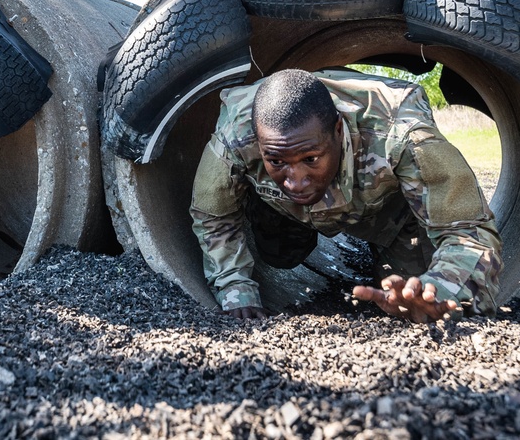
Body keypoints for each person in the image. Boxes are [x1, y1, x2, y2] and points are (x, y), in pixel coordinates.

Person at [189, 67, 502, 323]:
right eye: (277, 162)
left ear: (338, 131)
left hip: (385, 211)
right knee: (279, 254)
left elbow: (467, 230)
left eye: (310, 159)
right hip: (284, 214)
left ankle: (388, 253)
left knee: (410, 295)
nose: (296, 181)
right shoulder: (235, 137)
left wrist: (444, 290)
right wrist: (236, 290)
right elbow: (213, 217)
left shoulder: (401, 134)